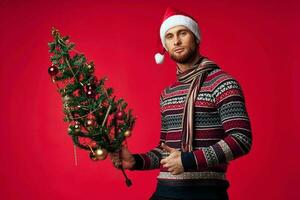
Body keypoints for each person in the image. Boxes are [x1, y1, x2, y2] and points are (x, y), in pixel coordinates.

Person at [109, 7, 252, 200]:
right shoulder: (168, 94)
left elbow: (241, 139)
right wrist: (135, 161)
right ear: (165, 46)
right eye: (169, 36)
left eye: (182, 33)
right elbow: (165, 151)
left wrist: (188, 160)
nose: (176, 41)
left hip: (206, 192)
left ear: (196, 37)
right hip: (165, 191)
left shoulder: (223, 83)